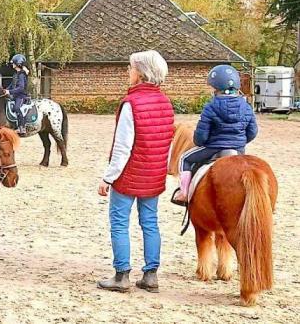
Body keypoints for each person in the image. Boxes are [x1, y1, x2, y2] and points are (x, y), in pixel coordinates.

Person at [96, 50, 174, 294]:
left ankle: (121, 275)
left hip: (129, 175)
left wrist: (108, 177)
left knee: (119, 223)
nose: (128, 72)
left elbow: (122, 147)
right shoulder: (165, 102)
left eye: (130, 68)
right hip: (153, 174)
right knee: (150, 223)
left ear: (140, 72)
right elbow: (167, 141)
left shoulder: (131, 104)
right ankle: (151, 275)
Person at [172, 65, 257, 204]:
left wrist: (201, 141)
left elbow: (201, 138)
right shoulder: (247, 107)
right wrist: (239, 141)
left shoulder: (210, 107)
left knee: (184, 159)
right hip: (238, 149)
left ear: (216, 88)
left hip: (214, 148)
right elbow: (253, 132)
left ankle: (184, 193)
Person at [4, 54, 30, 136]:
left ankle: (22, 127)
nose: (12, 64)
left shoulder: (22, 75)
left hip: (21, 96)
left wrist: (10, 92)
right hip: (15, 96)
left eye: (13, 63)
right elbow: (12, 85)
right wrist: (5, 90)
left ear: (18, 64)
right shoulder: (16, 74)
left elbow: (21, 88)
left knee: (16, 108)